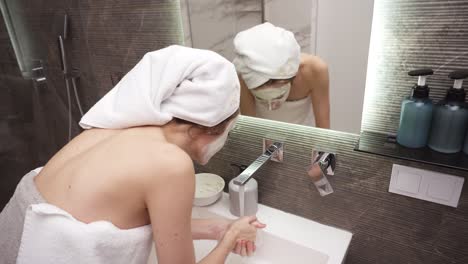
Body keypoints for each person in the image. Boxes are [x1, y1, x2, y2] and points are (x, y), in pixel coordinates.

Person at [0, 45, 265, 264]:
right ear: (213, 127)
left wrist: (216, 228)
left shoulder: (111, 131)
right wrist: (229, 240)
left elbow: (115, 217)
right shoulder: (171, 163)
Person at [233, 22, 330, 128]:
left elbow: (324, 130)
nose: (272, 107)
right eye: (261, 99)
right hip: (262, 138)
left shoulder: (314, 70)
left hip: (304, 139)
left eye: (279, 96)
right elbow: (250, 128)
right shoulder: (245, 76)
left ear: (293, 76)